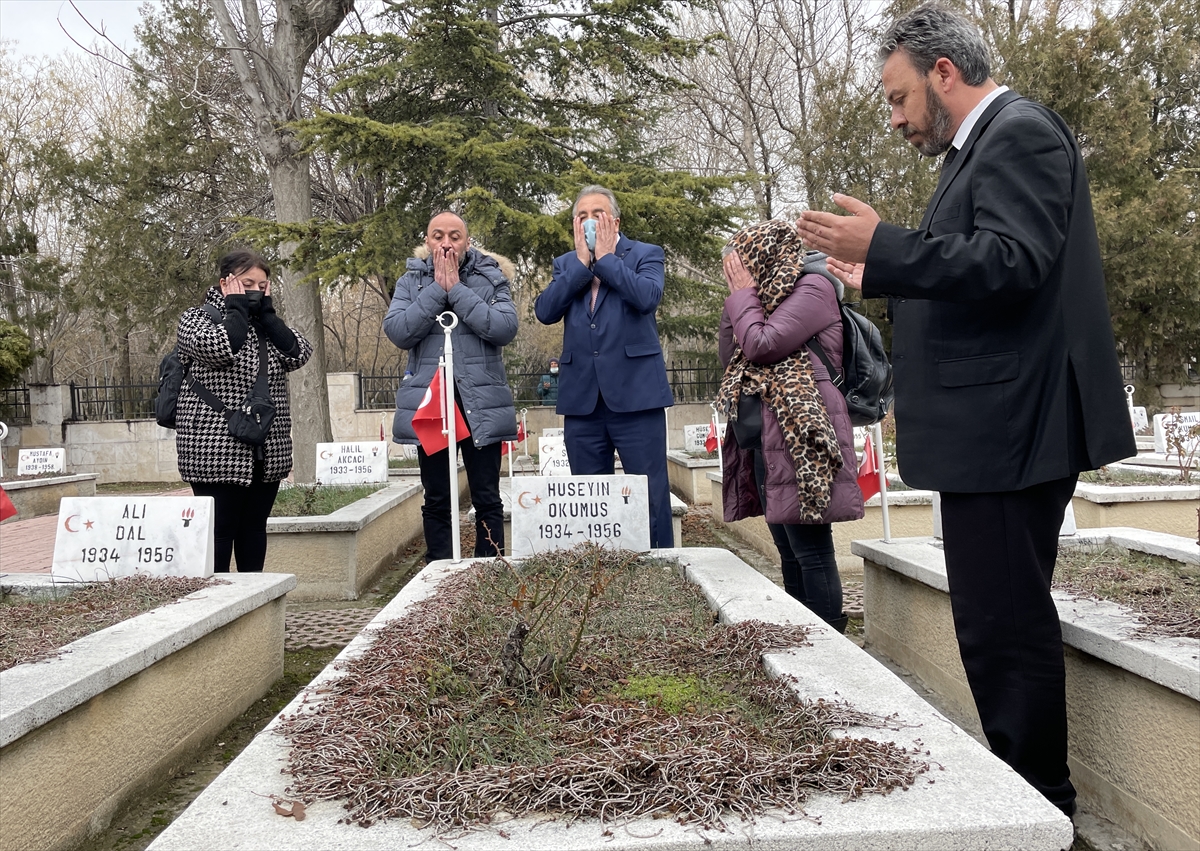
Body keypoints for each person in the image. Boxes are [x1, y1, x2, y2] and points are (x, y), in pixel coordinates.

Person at [795, 2, 1136, 817]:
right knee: (994, 622)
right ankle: (1030, 797)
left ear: (943, 73)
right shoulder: (979, 149)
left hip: (1012, 429)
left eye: (899, 96)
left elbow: (1013, 262)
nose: (895, 118)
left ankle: (1040, 806)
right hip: (996, 429)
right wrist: (883, 269)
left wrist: (887, 245)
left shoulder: (1018, 133)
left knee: (1002, 627)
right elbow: (976, 269)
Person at [716, 221, 863, 631]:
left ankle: (829, 636)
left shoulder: (814, 288)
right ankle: (801, 632)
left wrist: (743, 298)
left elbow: (762, 345)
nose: (737, 275)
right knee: (787, 548)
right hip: (767, 433)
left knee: (811, 549)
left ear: (765, 257)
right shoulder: (759, 298)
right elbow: (732, 358)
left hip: (805, 431)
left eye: (740, 266)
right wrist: (737, 300)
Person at [534, 185, 674, 547]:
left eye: (597, 214)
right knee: (590, 500)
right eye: (582, 216)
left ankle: (660, 568)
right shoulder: (567, 263)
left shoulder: (645, 253)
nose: (589, 221)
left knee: (649, 495)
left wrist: (607, 259)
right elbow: (545, 311)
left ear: (615, 221)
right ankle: (600, 573)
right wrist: (582, 265)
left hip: (637, 398)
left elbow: (647, 297)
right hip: (582, 402)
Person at [384, 212, 518, 561]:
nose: (446, 243)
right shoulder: (410, 282)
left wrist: (456, 289)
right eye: (438, 236)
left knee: (486, 496)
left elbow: (503, 328)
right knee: (437, 497)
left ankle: (489, 572)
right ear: (427, 241)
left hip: (481, 404)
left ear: (467, 242)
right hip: (432, 405)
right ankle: (439, 571)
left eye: (455, 236)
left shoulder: (492, 277)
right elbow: (398, 331)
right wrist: (437, 290)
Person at [175, 249, 313, 572]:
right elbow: (221, 349)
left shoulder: (265, 326)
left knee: (253, 529)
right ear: (225, 282)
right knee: (220, 532)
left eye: (261, 285)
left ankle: (256, 600)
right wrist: (235, 309)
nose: (255, 290)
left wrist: (269, 317)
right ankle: (218, 598)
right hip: (213, 449)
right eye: (246, 283)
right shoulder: (196, 320)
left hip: (266, 449)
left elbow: (299, 353)